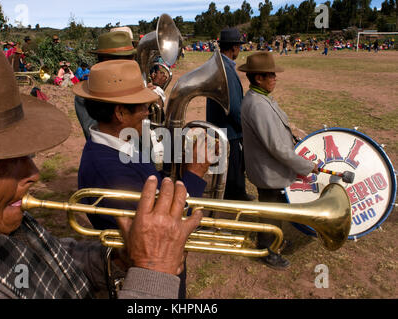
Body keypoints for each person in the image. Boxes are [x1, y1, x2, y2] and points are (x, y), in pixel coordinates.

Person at [0, 44, 201, 299]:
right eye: (4, 161)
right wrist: (153, 272)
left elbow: (49, 258)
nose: (34, 173)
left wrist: (116, 259)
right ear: (120, 112)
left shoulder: (2, 222)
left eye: (27, 155)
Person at [73, 60, 212, 298]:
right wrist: (195, 174)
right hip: (150, 274)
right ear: (120, 113)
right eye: (142, 107)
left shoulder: (117, 144)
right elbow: (165, 224)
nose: (148, 113)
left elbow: (151, 183)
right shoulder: (111, 171)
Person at [238, 52, 319, 270]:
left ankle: (275, 240)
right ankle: (267, 250)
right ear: (258, 79)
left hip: (270, 167)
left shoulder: (261, 98)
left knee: (275, 207)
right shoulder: (258, 105)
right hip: (268, 170)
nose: (275, 78)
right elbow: (276, 147)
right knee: (270, 211)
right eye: (271, 75)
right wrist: (307, 166)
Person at [206, 27, 254, 202]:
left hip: (219, 127)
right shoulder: (227, 69)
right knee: (234, 167)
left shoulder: (219, 66)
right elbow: (234, 108)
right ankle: (236, 197)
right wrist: (245, 127)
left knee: (228, 168)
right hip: (230, 131)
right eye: (239, 47)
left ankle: (234, 194)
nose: (239, 50)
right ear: (234, 47)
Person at [75, 31, 137, 140]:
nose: (129, 63)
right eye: (119, 59)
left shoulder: (135, 85)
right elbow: (95, 136)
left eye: (130, 57)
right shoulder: (86, 94)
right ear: (103, 61)